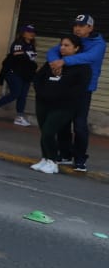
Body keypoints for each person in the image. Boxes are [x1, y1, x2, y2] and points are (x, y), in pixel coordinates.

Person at [44, 14, 105, 173]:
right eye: (76, 25)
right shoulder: (72, 39)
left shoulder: (98, 44)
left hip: (84, 89)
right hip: (67, 86)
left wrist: (64, 61)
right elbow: (53, 51)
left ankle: (80, 159)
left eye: (82, 25)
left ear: (90, 28)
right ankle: (65, 154)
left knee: (79, 125)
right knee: (63, 122)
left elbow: (89, 57)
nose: (77, 28)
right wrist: (54, 63)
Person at [30, 35, 91, 174]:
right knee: (44, 131)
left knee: (49, 131)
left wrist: (59, 96)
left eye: (67, 45)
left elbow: (79, 88)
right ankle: (45, 158)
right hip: (43, 103)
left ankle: (53, 161)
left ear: (76, 48)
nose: (62, 48)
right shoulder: (53, 62)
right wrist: (41, 93)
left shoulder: (83, 68)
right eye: (61, 45)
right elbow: (38, 78)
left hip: (63, 106)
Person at [0, 24, 38, 126]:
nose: (31, 34)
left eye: (33, 32)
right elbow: (16, 54)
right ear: (23, 33)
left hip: (26, 74)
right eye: (29, 32)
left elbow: (31, 59)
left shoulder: (31, 45)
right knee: (15, 93)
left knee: (23, 95)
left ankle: (19, 117)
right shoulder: (18, 43)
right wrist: (27, 55)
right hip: (14, 73)